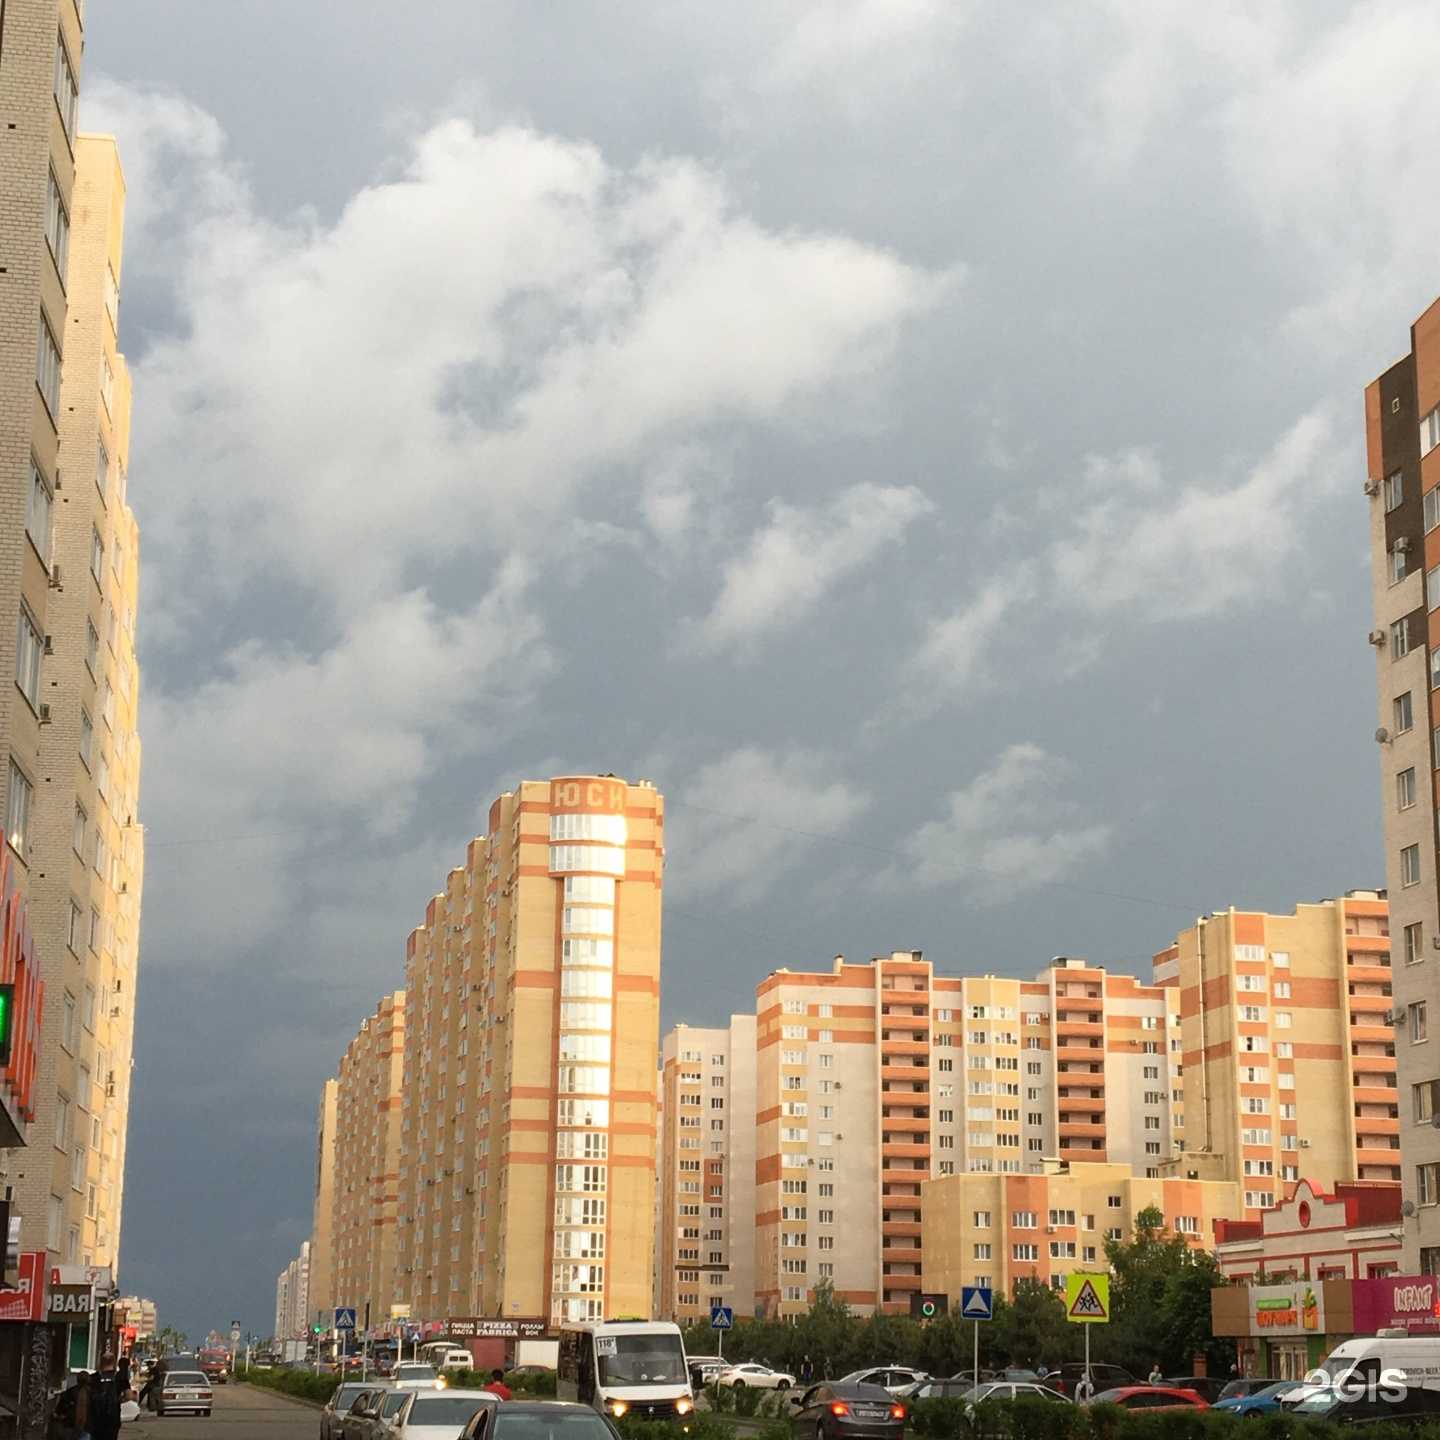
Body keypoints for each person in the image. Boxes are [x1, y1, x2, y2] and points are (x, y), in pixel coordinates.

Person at [80, 1355, 124, 1440]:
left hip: (95, 1418)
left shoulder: (92, 1378)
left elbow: (84, 1396)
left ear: (100, 1363)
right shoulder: (119, 1378)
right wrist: (118, 1400)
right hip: (112, 1419)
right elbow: (129, 1395)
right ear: (114, 1363)